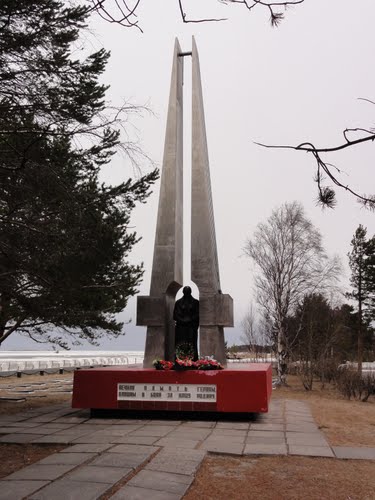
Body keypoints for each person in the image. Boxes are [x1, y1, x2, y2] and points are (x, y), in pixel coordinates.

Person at [173, 286, 199, 361]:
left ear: (190, 292)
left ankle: (192, 360)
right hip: (180, 328)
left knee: (191, 345)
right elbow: (174, 315)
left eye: (188, 292)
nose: (186, 294)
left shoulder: (196, 302)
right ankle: (179, 360)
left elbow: (198, 315)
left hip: (191, 328)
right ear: (183, 292)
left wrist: (189, 320)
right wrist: (182, 320)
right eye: (185, 292)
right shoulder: (178, 302)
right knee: (180, 344)